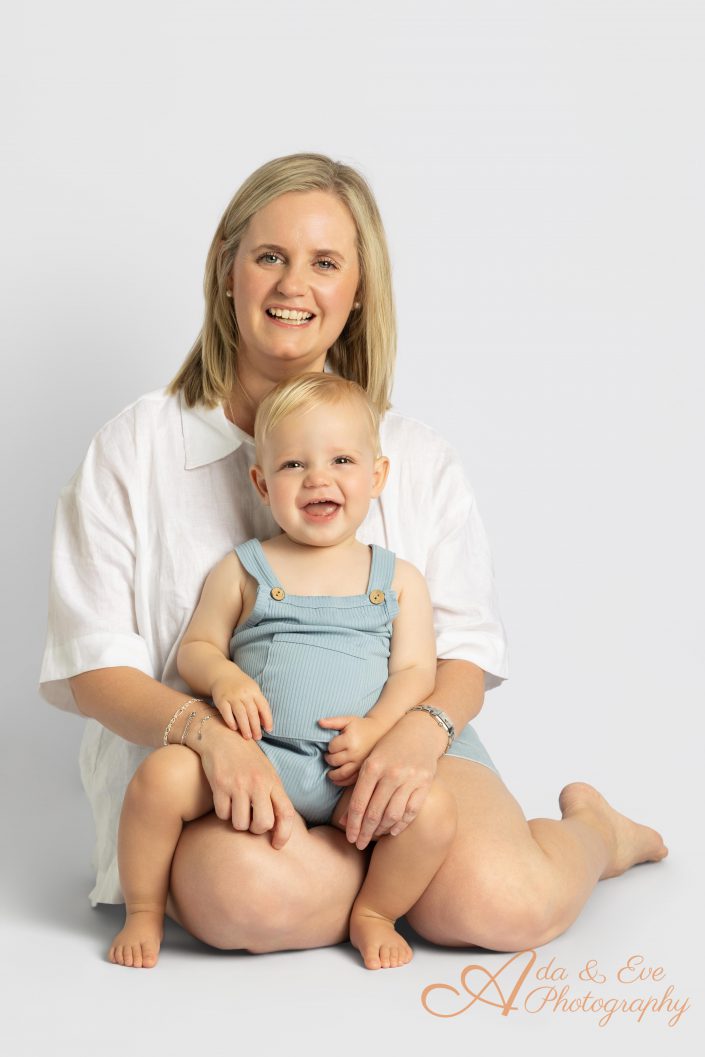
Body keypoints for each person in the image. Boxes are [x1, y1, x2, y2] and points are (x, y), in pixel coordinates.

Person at [40, 153, 667, 962]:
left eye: (325, 262)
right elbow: (94, 668)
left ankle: (592, 834)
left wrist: (418, 732)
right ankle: (396, 891)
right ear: (227, 269)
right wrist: (209, 735)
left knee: (505, 906)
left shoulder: (413, 455)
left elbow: (463, 652)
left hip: (399, 741)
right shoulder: (135, 447)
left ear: (359, 288)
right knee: (240, 896)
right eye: (270, 256)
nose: (292, 285)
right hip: (232, 764)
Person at [110, 372, 462, 970]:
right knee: (160, 779)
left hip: (355, 774)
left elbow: (414, 672)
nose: (318, 478)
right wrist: (225, 678)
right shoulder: (245, 568)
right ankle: (143, 909)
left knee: (433, 814)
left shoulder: (398, 579)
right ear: (262, 483)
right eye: (294, 464)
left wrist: (378, 729)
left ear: (377, 476)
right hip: (258, 761)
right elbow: (196, 648)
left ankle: (374, 911)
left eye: (342, 460)